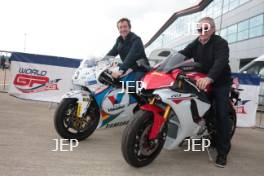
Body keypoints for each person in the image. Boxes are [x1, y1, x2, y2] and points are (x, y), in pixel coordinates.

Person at [179, 17, 232, 168]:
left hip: (220, 82)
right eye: (199, 29)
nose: (202, 31)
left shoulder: (220, 43)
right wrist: (162, 66)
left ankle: (222, 152)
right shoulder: (197, 42)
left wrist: (210, 77)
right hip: (202, 81)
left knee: (221, 115)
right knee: (193, 106)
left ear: (213, 29)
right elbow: (182, 54)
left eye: (206, 28)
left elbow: (220, 61)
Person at [106, 18, 149, 91]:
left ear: (129, 27)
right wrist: (101, 62)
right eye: (120, 27)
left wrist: (121, 70)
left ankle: (142, 101)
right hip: (128, 67)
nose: (123, 29)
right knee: (114, 81)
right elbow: (112, 53)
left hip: (140, 67)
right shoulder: (119, 40)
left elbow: (131, 56)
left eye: (125, 26)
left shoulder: (136, 39)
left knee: (131, 87)